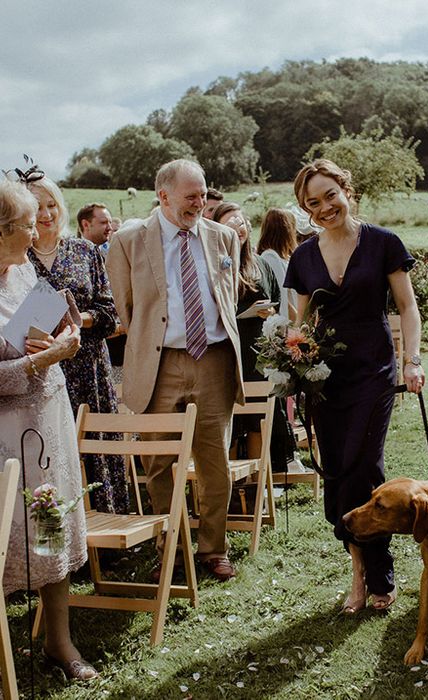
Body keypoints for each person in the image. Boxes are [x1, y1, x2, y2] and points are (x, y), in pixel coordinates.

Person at [285, 158, 425, 614]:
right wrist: (293, 361)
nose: (325, 207)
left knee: (364, 466)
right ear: (305, 209)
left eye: (331, 195)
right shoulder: (304, 257)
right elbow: (299, 324)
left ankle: (371, 578)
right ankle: (361, 570)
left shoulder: (384, 242)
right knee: (340, 473)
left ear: (347, 189)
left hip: (374, 372)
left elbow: (407, 306)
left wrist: (412, 360)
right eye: (313, 203)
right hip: (327, 380)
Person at [106, 159, 244, 582]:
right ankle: (173, 544)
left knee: (213, 459)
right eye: (191, 196)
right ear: (163, 195)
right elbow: (124, 306)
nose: (199, 203)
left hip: (214, 359)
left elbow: (230, 292)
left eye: (203, 194)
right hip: (159, 362)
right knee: (159, 460)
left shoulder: (223, 237)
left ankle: (213, 549)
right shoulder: (128, 240)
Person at [0, 179, 97, 680]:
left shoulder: (21, 273)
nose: (36, 227)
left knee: (50, 526)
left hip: (47, 425)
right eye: (24, 222)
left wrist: (67, 340)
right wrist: (44, 361)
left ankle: (60, 644)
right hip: (4, 441)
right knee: (9, 538)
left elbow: (42, 337)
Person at [27, 176, 128, 514]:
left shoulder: (84, 250)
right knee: (51, 452)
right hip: (42, 370)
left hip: (90, 369)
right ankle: (62, 535)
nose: (46, 214)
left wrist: (74, 318)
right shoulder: (16, 258)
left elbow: (109, 313)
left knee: (98, 448)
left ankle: (109, 532)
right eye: (37, 207)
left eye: (52, 204)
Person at [211, 201, 298, 472]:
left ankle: (259, 479)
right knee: (233, 421)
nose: (238, 227)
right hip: (228, 349)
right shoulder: (216, 264)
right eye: (230, 223)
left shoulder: (260, 263)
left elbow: (274, 299)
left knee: (258, 416)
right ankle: (231, 482)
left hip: (257, 349)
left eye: (241, 221)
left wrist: (268, 313)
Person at [257, 208, 299, 320]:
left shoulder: (286, 257)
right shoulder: (270, 257)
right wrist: (299, 322)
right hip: (288, 322)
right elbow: (283, 297)